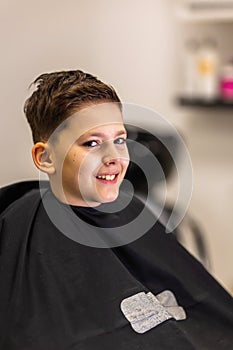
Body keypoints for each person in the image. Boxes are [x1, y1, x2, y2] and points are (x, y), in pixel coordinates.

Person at [0, 70, 232, 350]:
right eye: (92, 143)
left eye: (119, 140)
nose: (113, 158)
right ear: (45, 157)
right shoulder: (24, 228)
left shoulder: (136, 213)